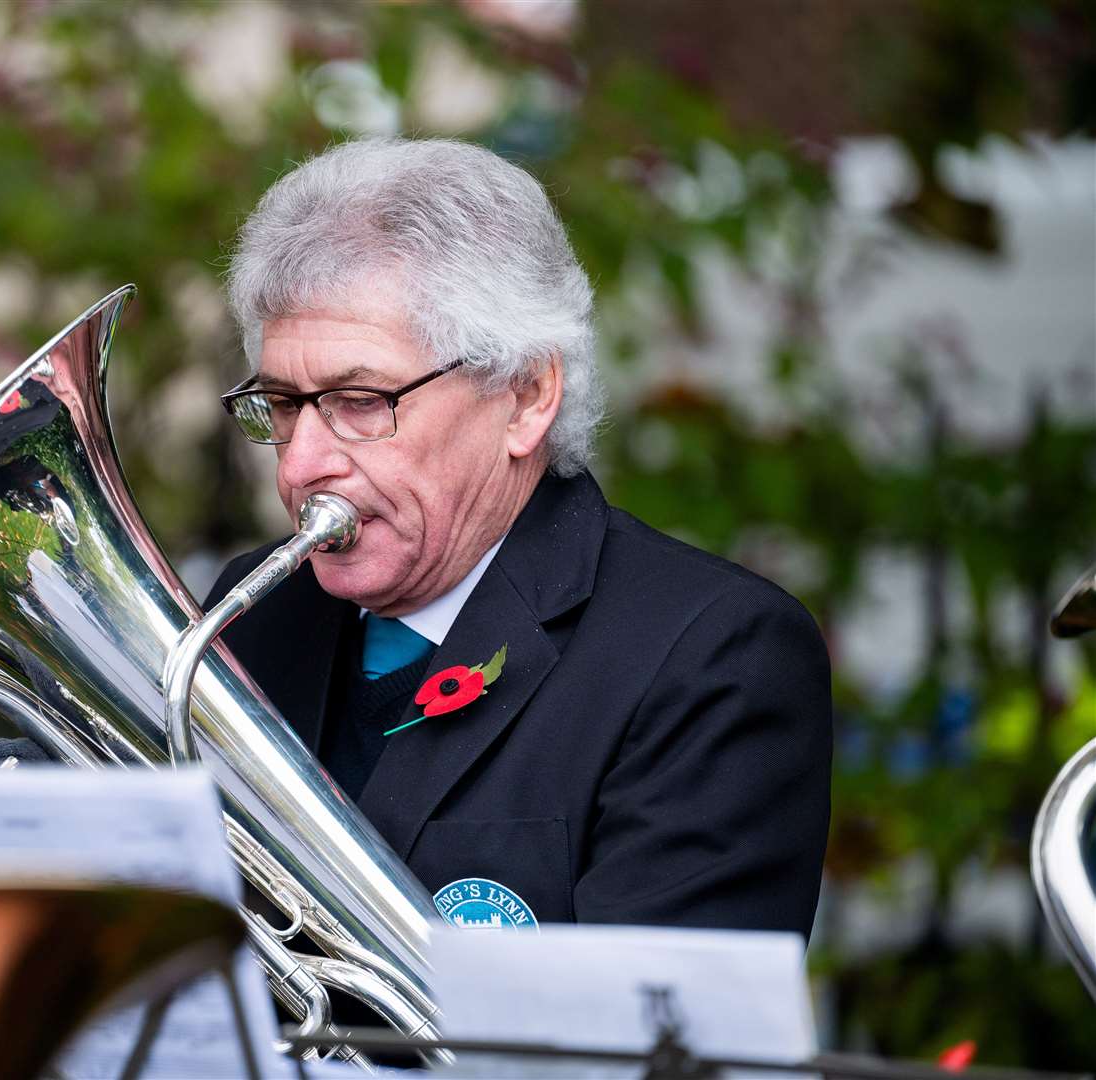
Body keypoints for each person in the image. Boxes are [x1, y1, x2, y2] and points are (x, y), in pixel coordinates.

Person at [206, 137, 831, 937]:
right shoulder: (246, 614)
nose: (300, 463)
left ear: (527, 397)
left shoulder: (710, 655)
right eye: (284, 405)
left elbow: (659, 1043)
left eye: (360, 401)